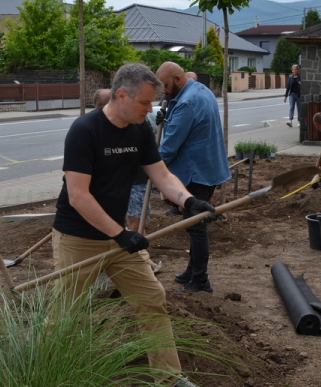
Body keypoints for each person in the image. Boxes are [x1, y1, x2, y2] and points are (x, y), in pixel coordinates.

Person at [52, 62, 213, 387]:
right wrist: (120, 233)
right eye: (145, 102)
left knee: (152, 300)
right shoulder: (85, 130)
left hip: (119, 240)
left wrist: (187, 200)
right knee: (64, 313)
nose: (151, 109)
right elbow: (78, 196)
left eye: (153, 101)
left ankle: (168, 378)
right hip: (78, 237)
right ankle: (52, 372)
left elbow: (162, 175)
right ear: (121, 95)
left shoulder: (140, 129)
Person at [155, 61, 230, 294]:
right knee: (191, 223)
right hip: (208, 168)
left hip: (195, 173)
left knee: (196, 227)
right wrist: (166, 116)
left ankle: (200, 280)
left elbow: (168, 148)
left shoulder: (187, 103)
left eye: (166, 86)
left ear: (178, 79)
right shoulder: (200, 89)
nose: (164, 92)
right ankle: (192, 270)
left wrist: (149, 168)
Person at [95, 88, 162, 273]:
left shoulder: (137, 123)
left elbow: (155, 113)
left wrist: (186, 199)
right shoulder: (94, 128)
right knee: (119, 224)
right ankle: (117, 264)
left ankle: (143, 264)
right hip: (115, 188)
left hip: (137, 182)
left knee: (135, 223)